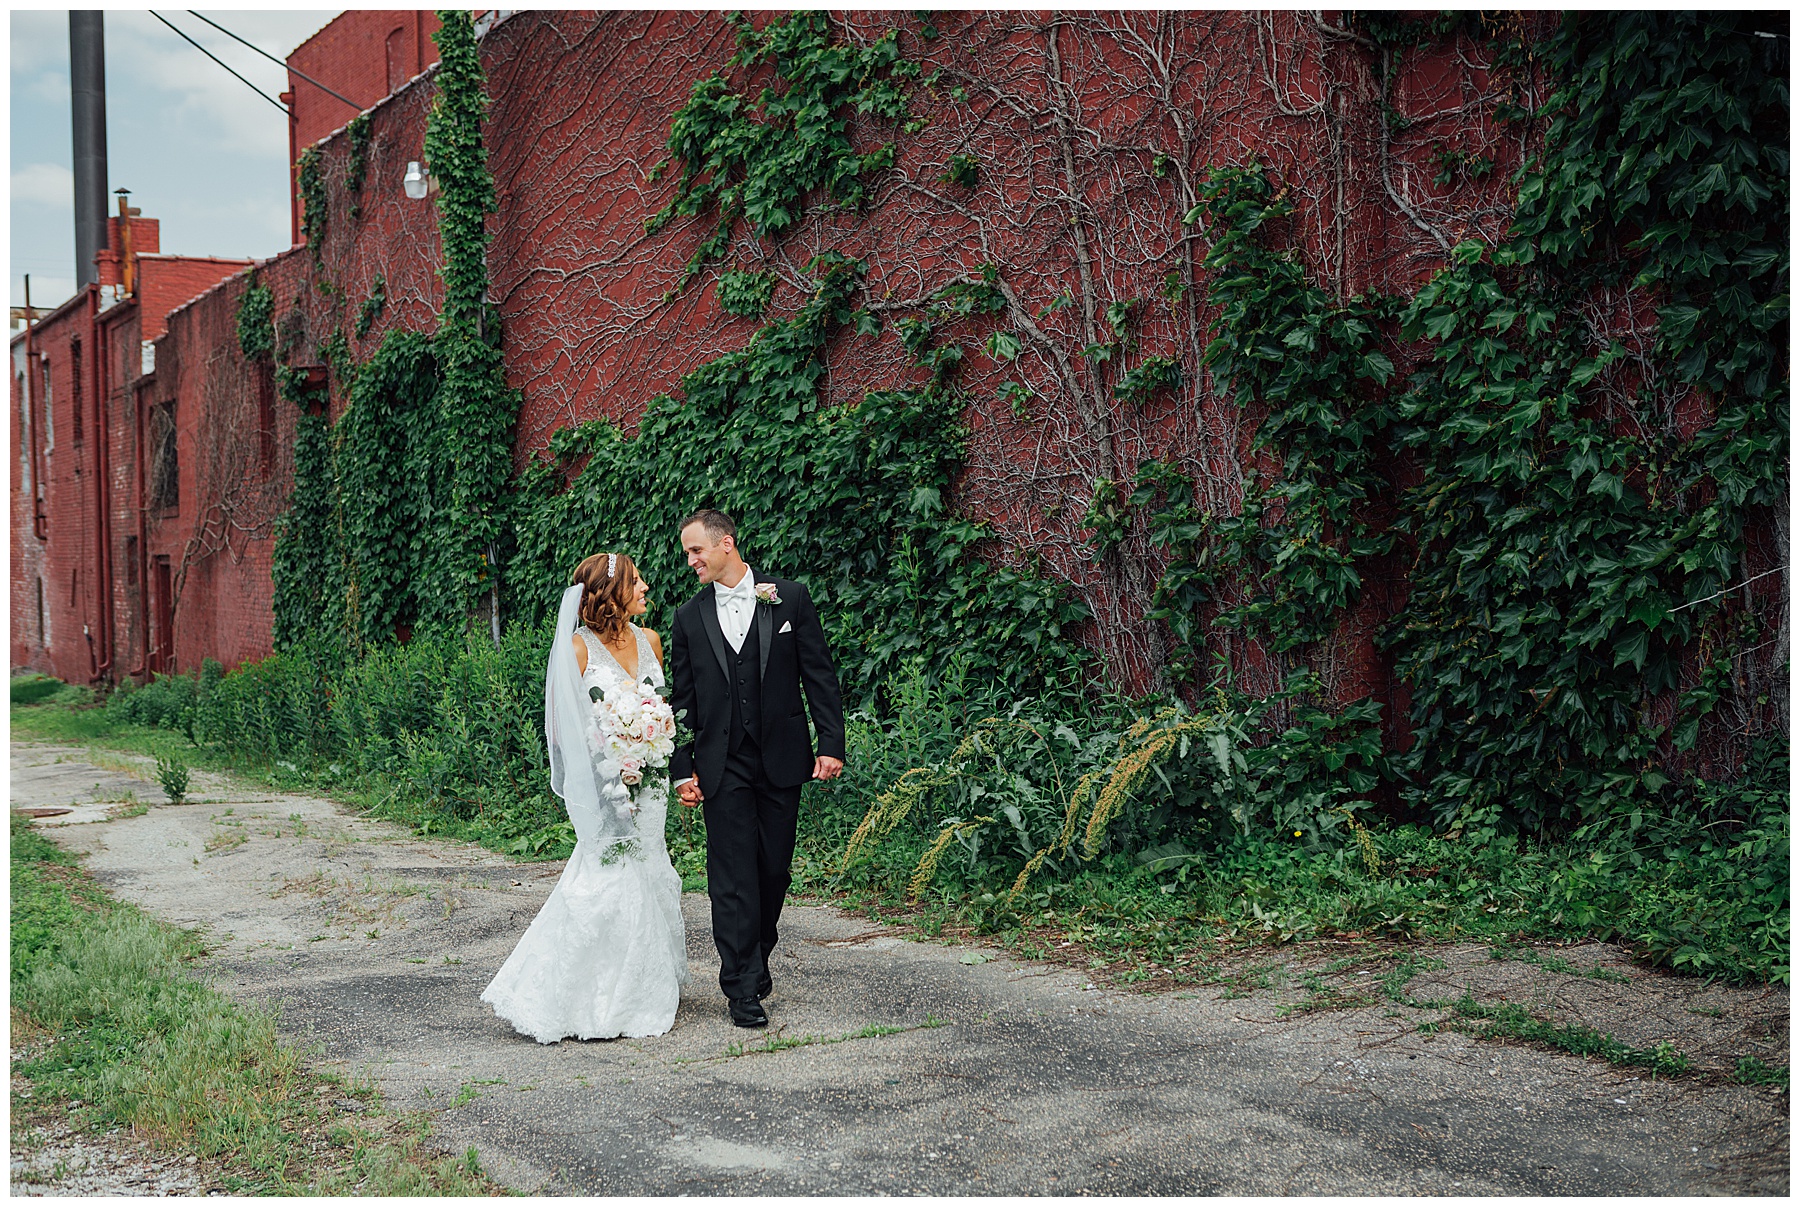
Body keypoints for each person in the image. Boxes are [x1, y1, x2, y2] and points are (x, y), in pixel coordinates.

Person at [481, 552, 689, 1042]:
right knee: (611, 873)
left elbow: (664, 709)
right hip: (606, 784)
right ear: (611, 594)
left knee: (650, 863)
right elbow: (565, 731)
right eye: (636, 583)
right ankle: (590, 992)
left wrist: (652, 744)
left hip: (653, 781)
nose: (645, 588)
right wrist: (608, 769)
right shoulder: (577, 649)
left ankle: (644, 978)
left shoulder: (652, 641)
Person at [669, 509, 846, 1028]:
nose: (691, 560)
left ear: (727, 544)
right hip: (721, 766)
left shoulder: (787, 597)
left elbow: (819, 674)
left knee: (772, 870)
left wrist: (830, 743)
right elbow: (683, 703)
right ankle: (741, 984)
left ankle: (757, 952)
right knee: (731, 876)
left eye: (697, 550)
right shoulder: (688, 617)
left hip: (783, 758)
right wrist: (683, 770)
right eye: (687, 552)